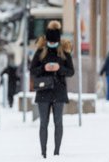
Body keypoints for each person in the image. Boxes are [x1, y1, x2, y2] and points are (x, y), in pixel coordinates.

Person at [29, 20, 74, 159]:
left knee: (58, 122)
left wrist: (60, 68)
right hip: (43, 91)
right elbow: (32, 70)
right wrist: (44, 67)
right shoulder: (41, 51)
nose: (52, 44)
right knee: (43, 123)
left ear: (58, 41)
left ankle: (56, 153)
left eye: (55, 42)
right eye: (50, 42)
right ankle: (43, 153)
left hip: (59, 91)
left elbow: (71, 71)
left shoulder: (64, 52)